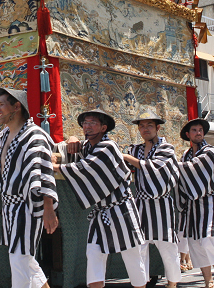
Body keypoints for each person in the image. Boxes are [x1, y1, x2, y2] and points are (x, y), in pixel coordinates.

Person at [52, 109, 146, 288]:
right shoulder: (87, 147)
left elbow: (85, 167)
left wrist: (56, 167)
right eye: (85, 123)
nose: (87, 127)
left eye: (92, 123)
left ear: (103, 128)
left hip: (122, 210)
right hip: (100, 212)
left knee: (133, 258)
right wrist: (71, 138)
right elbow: (65, 149)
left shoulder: (108, 147)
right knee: (94, 255)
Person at [0, 88, 58, 288]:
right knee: (19, 263)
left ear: (17, 107)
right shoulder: (5, 134)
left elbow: (44, 172)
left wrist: (48, 209)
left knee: (22, 259)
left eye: (1, 105)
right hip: (9, 208)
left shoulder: (34, 136)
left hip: (27, 205)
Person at [121, 108, 181, 288]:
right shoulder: (135, 149)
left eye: (149, 125)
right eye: (142, 126)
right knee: (140, 247)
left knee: (168, 246)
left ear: (158, 128)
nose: (145, 129)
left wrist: (126, 157)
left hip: (161, 203)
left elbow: (154, 167)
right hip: (140, 202)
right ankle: (141, 283)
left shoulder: (166, 148)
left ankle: (172, 284)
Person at [176, 118, 214, 288]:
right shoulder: (185, 155)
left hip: (209, 201)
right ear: (188, 134)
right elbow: (182, 178)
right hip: (192, 204)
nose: (198, 133)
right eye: (194, 130)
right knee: (195, 242)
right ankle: (208, 280)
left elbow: (194, 167)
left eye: (200, 130)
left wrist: (172, 165)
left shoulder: (210, 151)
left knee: (207, 238)